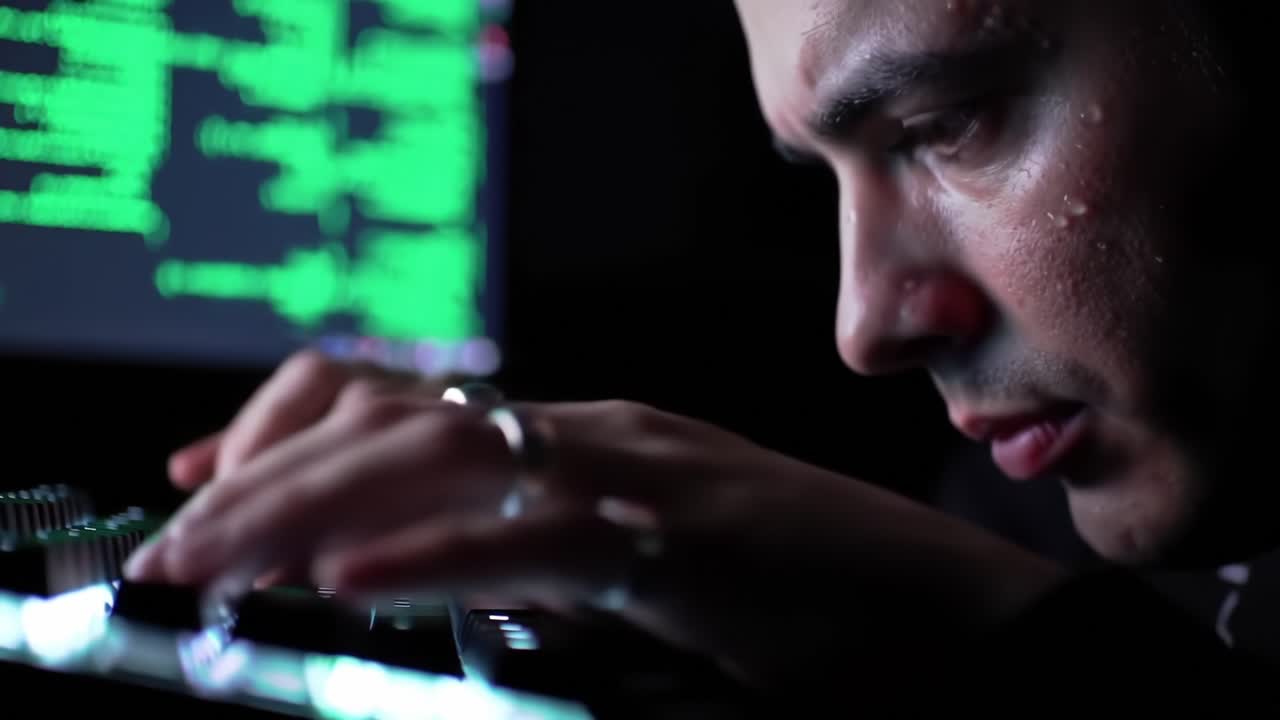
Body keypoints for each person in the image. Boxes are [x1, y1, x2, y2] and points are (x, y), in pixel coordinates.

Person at [126, 1, 1279, 714]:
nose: (864, 326)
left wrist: (998, 641)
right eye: (822, 172)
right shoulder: (1026, 495)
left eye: (944, 127)